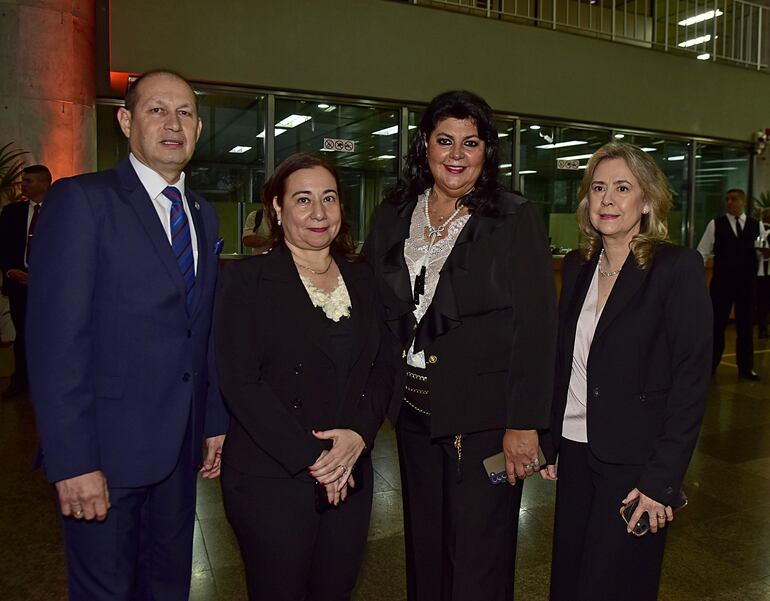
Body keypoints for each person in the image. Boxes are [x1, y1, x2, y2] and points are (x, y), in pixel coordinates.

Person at [25, 70, 229, 601]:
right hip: (106, 458)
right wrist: (72, 462)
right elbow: (55, 346)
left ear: (200, 129)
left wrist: (212, 422)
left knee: (167, 589)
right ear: (125, 121)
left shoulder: (202, 216)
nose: (172, 124)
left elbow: (199, 331)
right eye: (156, 110)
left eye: (184, 112)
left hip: (179, 455)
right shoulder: (82, 202)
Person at [363, 90, 557, 601]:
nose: (455, 155)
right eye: (444, 140)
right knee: (425, 548)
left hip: (487, 421)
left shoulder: (514, 217)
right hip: (413, 414)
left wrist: (525, 424)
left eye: (469, 143)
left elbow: (537, 329)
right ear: (425, 144)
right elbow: (374, 308)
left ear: (487, 151)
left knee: (478, 557)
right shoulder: (394, 212)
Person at [539, 142, 712, 601]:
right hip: (576, 452)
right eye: (598, 188)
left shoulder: (676, 268)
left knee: (614, 584)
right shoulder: (578, 267)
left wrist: (662, 480)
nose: (608, 200)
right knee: (571, 580)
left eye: (622, 188)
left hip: (636, 463)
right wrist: (550, 440)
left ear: (647, 201)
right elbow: (565, 363)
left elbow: (691, 382)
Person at [214, 153, 391, 601]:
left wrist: (358, 436)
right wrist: (317, 459)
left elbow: (383, 364)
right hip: (271, 476)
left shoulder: (363, 278)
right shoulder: (246, 281)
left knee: (335, 588)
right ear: (276, 207)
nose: (318, 213)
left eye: (329, 199)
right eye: (303, 199)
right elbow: (240, 381)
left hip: (351, 469)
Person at [697, 188, 762, 379]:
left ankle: (746, 368)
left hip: (746, 285)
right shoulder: (715, 224)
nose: (730, 202)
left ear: (743, 201)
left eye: (734, 199)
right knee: (716, 326)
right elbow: (702, 252)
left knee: (746, 327)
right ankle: (710, 366)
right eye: (727, 199)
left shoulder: (755, 225)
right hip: (722, 284)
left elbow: (761, 253)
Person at [0, 164, 51, 398]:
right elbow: (3, 246)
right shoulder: (12, 212)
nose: (23, 185)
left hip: (51, 288)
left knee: (51, 334)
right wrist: (11, 270)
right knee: (23, 333)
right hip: (20, 285)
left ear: (43, 183)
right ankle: (20, 381)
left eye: (28, 181)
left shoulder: (62, 210)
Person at [756, 208, 770, 339]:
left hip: (761, 272)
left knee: (763, 302)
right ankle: (763, 328)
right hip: (763, 272)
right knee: (764, 302)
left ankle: (763, 327)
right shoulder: (763, 231)